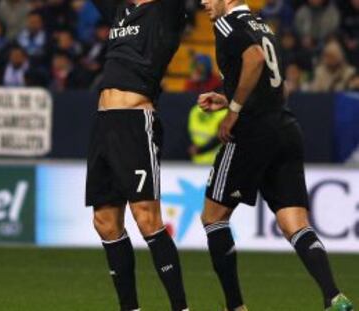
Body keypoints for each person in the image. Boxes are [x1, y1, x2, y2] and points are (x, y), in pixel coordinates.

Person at [198, 0, 354, 311]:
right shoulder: (263, 27)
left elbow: (254, 60)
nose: (203, 2)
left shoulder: (227, 25)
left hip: (252, 132)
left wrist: (234, 110)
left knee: (213, 217)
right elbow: (274, 84)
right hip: (284, 127)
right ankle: (333, 297)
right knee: (294, 222)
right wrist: (227, 96)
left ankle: (235, 307)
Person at [85, 0, 189, 310]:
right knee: (104, 221)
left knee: (146, 216)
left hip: (135, 121)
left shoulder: (165, 12)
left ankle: (180, 307)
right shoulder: (121, 9)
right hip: (104, 123)